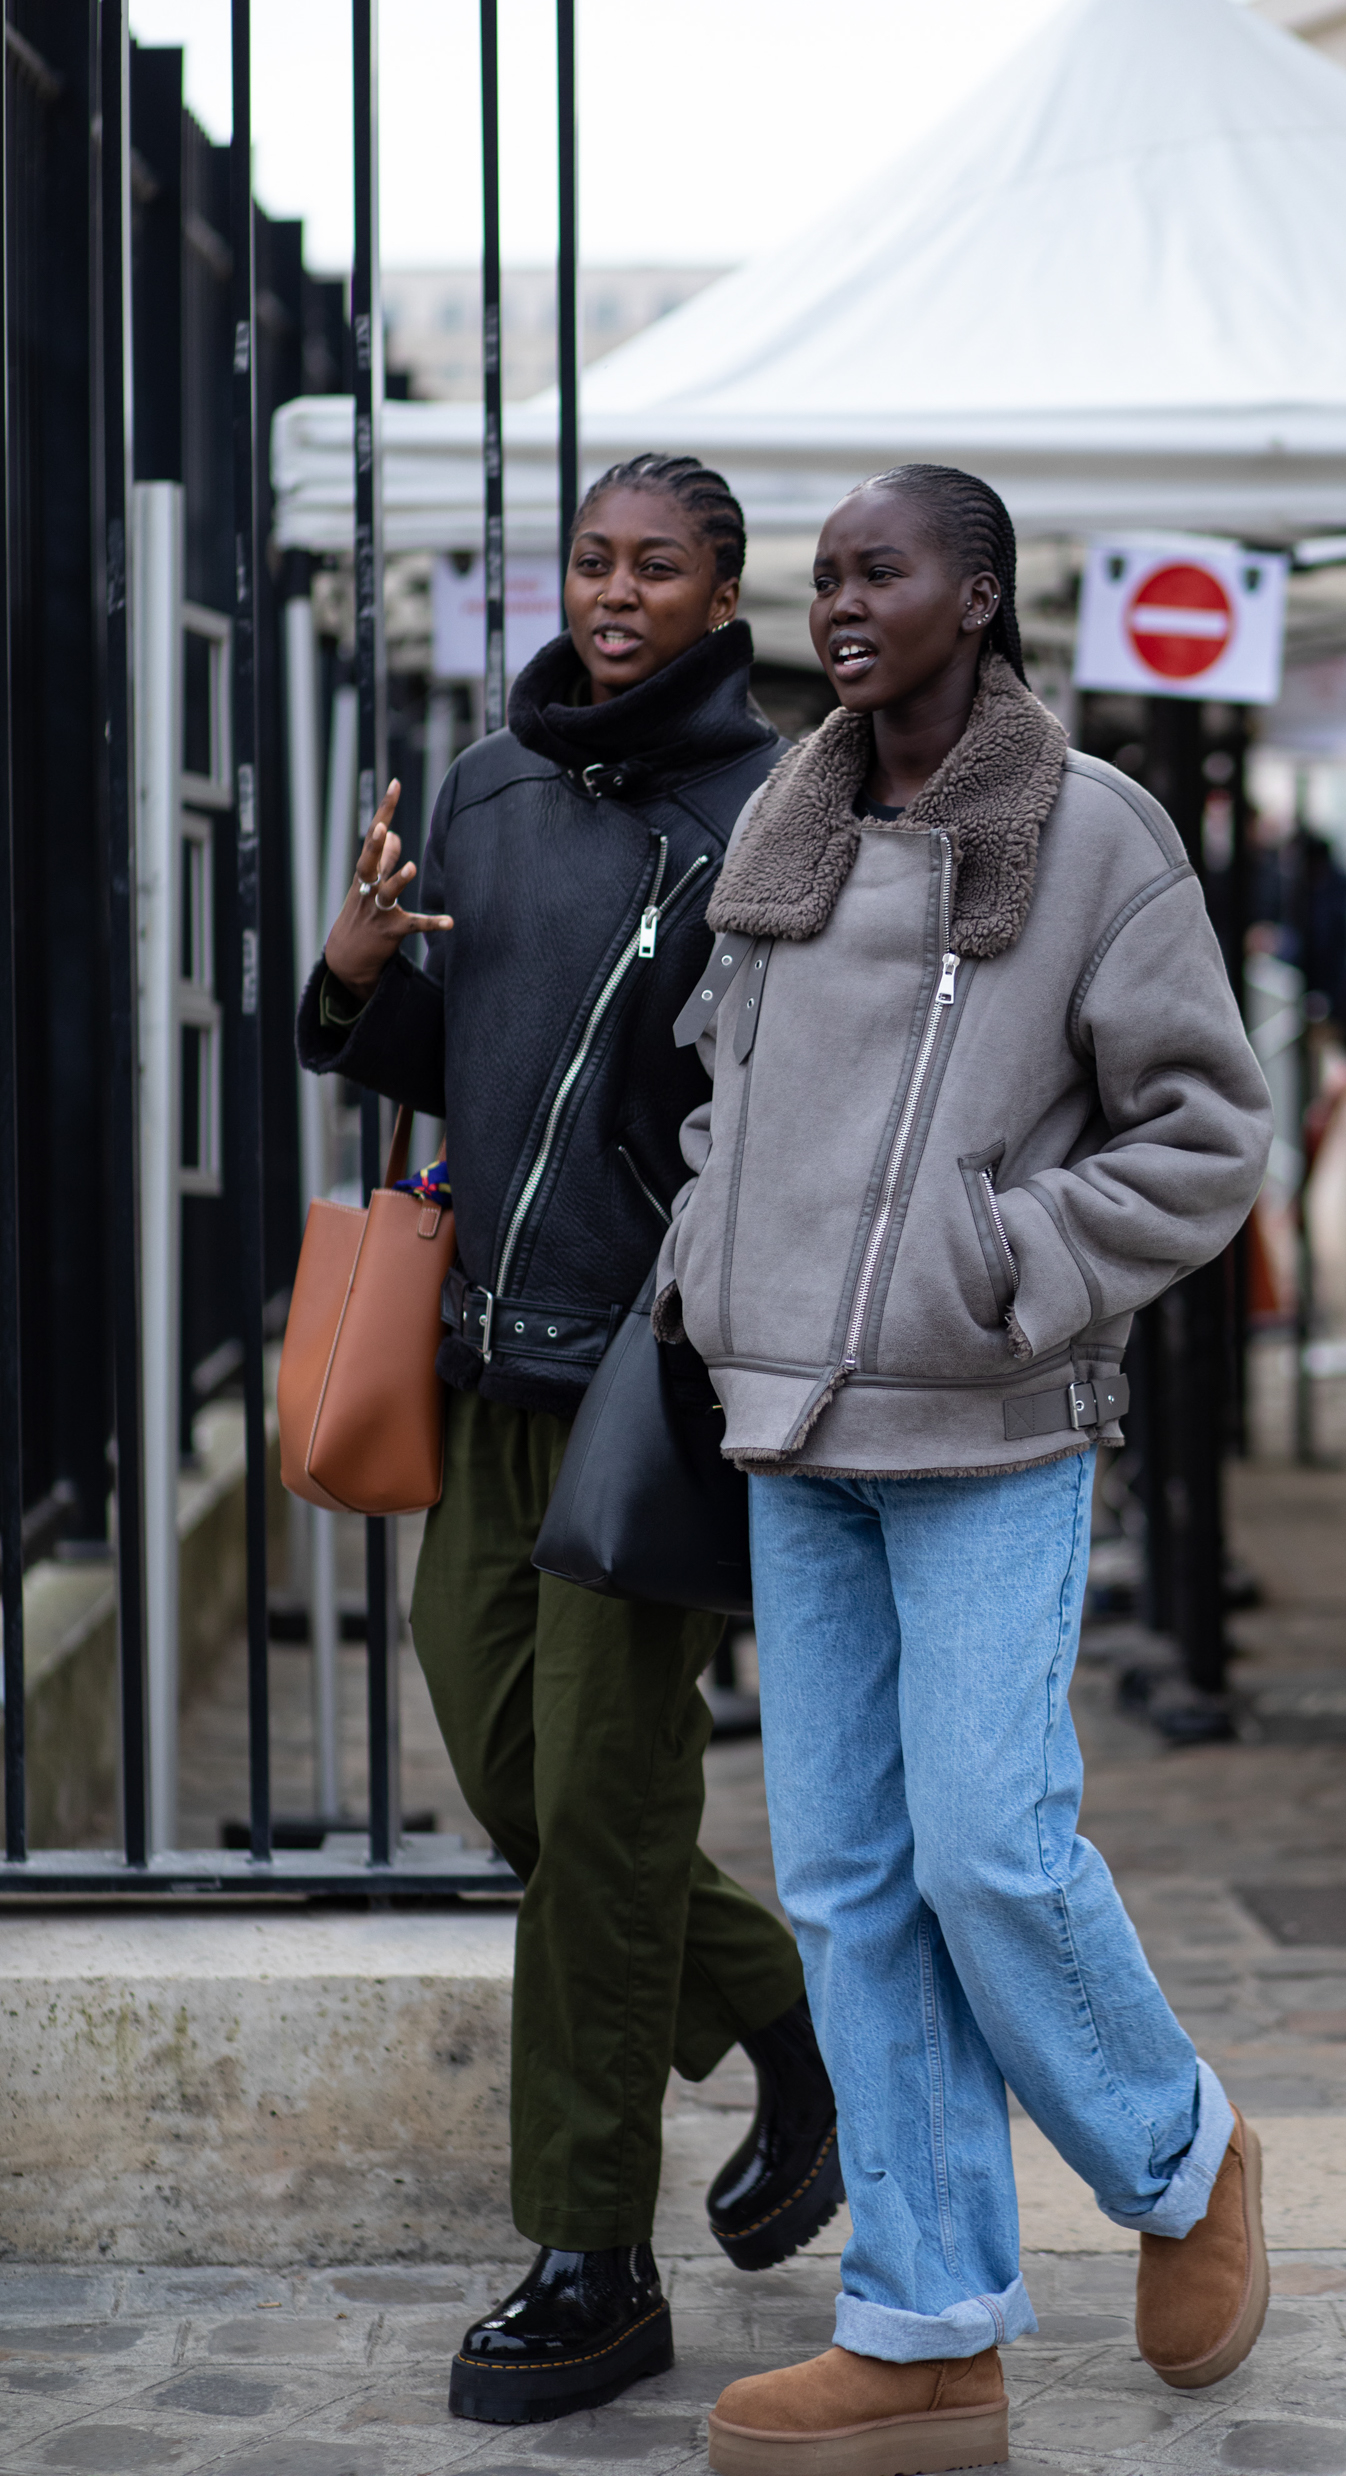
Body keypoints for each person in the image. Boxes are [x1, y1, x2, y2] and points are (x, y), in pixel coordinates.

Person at [652, 465, 1276, 2474]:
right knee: (840, 1877)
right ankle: (924, 2321)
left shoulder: (1089, 833)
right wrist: (705, 1256)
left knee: (982, 1845)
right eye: (820, 573)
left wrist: (1000, 1260)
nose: (837, 601)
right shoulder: (790, 811)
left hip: (985, 1419)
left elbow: (1201, 1131)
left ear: (975, 598)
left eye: (877, 570)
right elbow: (715, 1083)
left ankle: (1178, 2151)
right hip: (792, 1429)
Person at [297, 455, 842, 2429]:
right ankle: (792, 2022)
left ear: (719, 594)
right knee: (515, 1769)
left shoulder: (781, 809)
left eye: (657, 569)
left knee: (604, 1819)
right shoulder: (483, 786)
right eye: (594, 561)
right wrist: (358, 978)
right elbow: (462, 1053)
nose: (613, 594)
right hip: (477, 1366)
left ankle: (589, 2259)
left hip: (657, 1381)